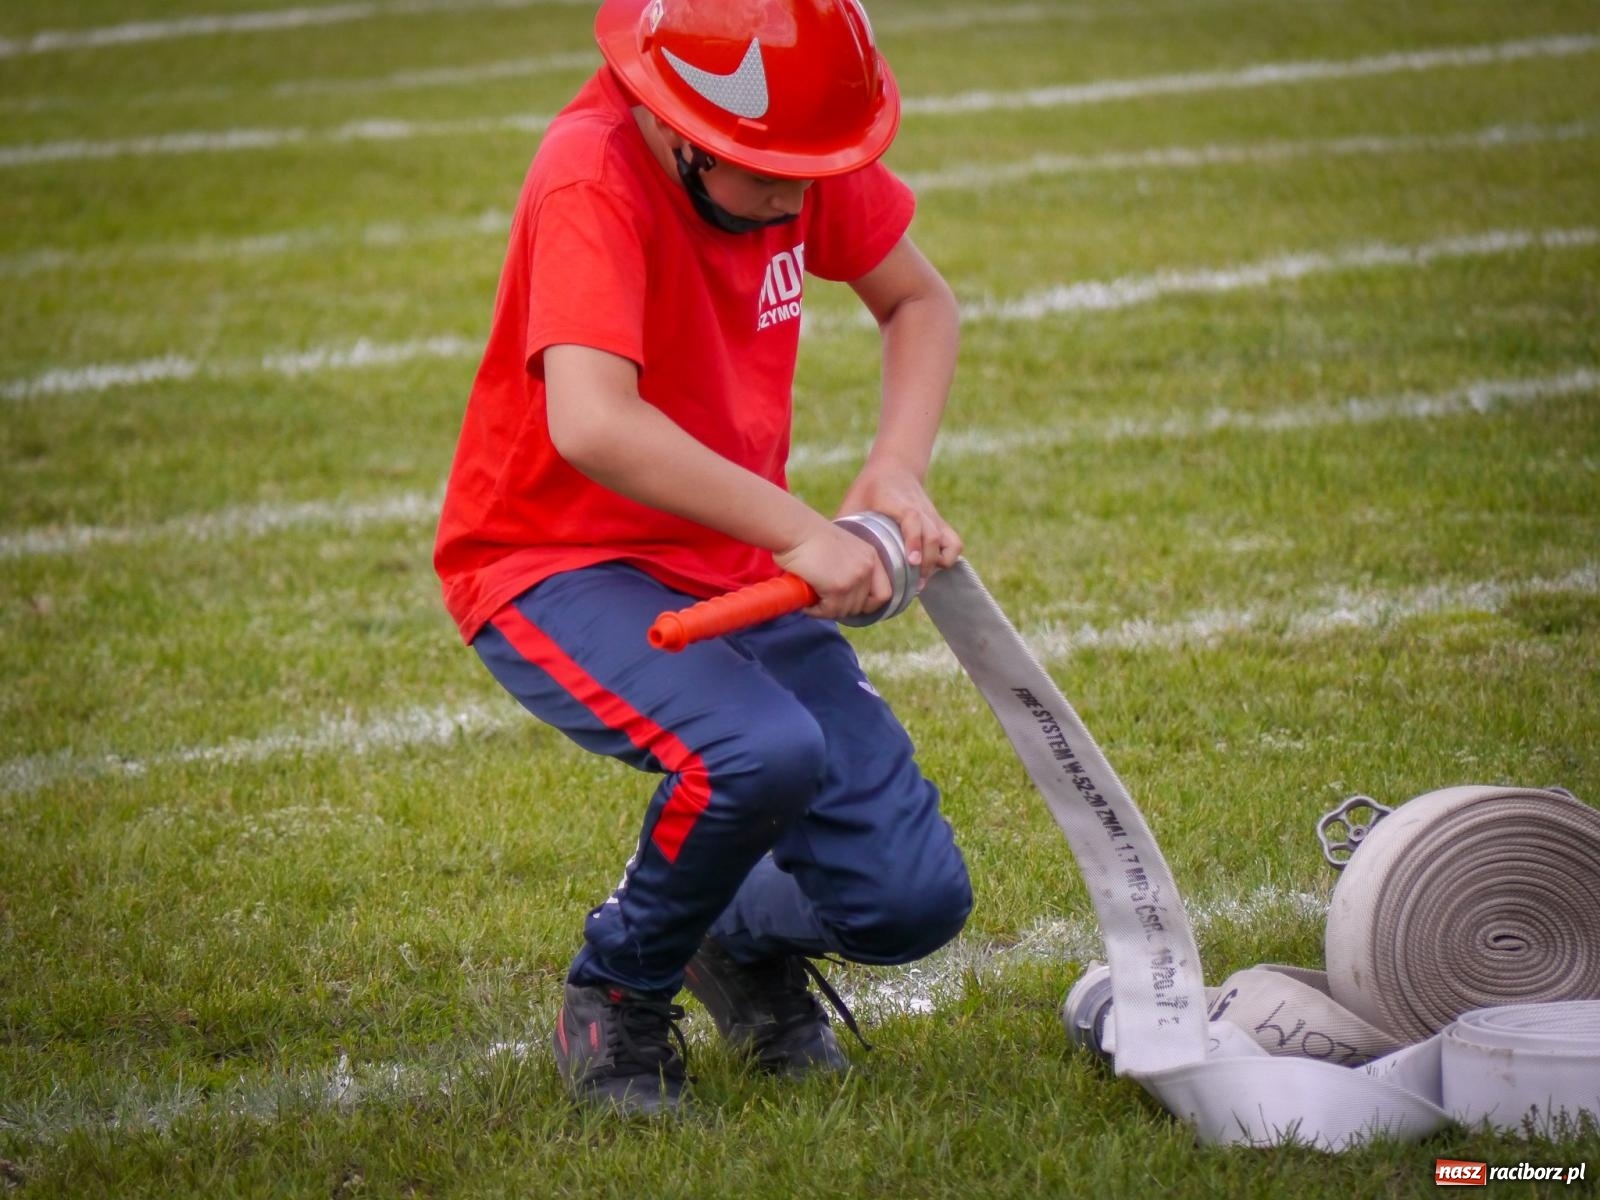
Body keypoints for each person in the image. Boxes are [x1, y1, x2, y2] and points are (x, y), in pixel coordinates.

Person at [433, 0, 972, 1116]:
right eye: (768, 172)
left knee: (910, 904)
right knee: (759, 750)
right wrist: (796, 528)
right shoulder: (589, 170)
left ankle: (726, 935)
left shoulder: (789, 153)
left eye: (814, 170)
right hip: (551, 559)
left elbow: (918, 301)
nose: (796, 196)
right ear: (676, 122)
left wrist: (895, 469)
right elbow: (593, 423)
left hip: (730, 562)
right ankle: (617, 993)